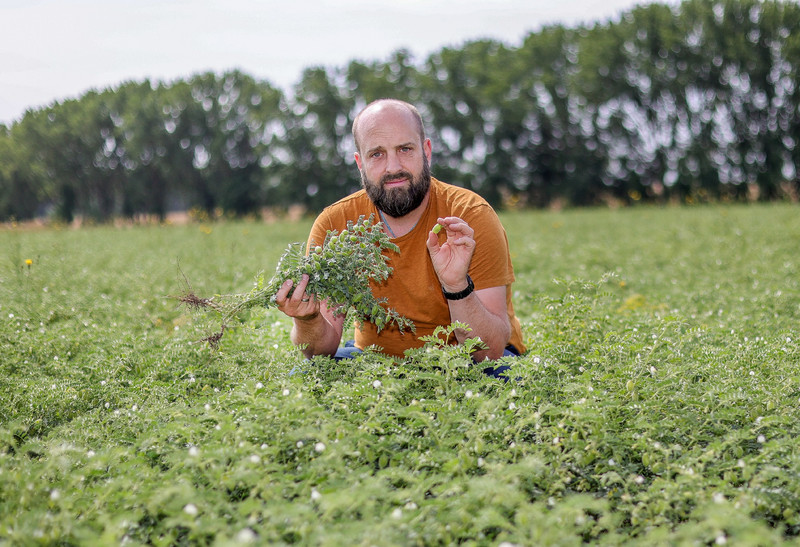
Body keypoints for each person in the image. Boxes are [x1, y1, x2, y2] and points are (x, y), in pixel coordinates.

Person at [275, 98, 526, 370]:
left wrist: (457, 286)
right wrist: (308, 320)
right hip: (374, 363)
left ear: (426, 152)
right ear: (360, 162)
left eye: (405, 149)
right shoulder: (336, 225)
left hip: (463, 363)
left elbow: (488, 352)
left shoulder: (469, 215)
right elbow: (319, 351)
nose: (393, 167)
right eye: (377, 154)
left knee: (502, 377)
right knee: (308, 373)